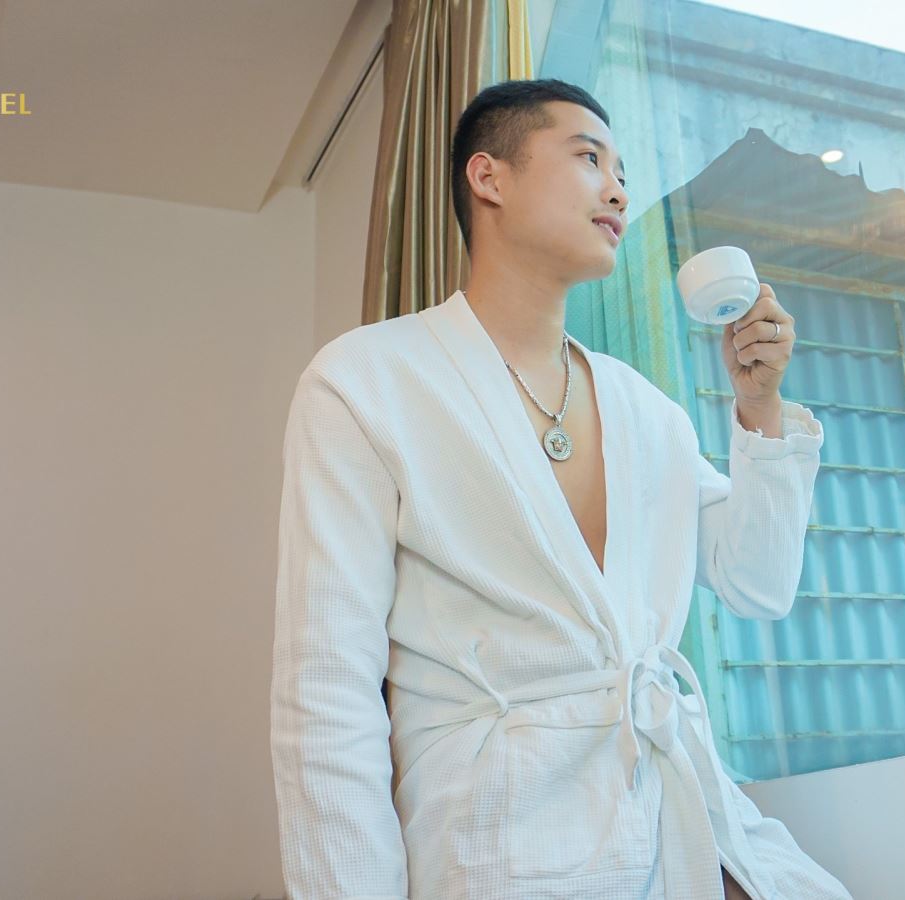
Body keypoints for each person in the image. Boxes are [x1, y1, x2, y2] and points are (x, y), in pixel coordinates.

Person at [270, 78, 851, 900]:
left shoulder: (644, 409)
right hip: (498, 838)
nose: (618, 191)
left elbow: (756, 583)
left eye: (623, 173)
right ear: (489, 177)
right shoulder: (367, 381)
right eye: (589, 159)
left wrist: (759, 406)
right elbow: (325, 690)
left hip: (676, 808)